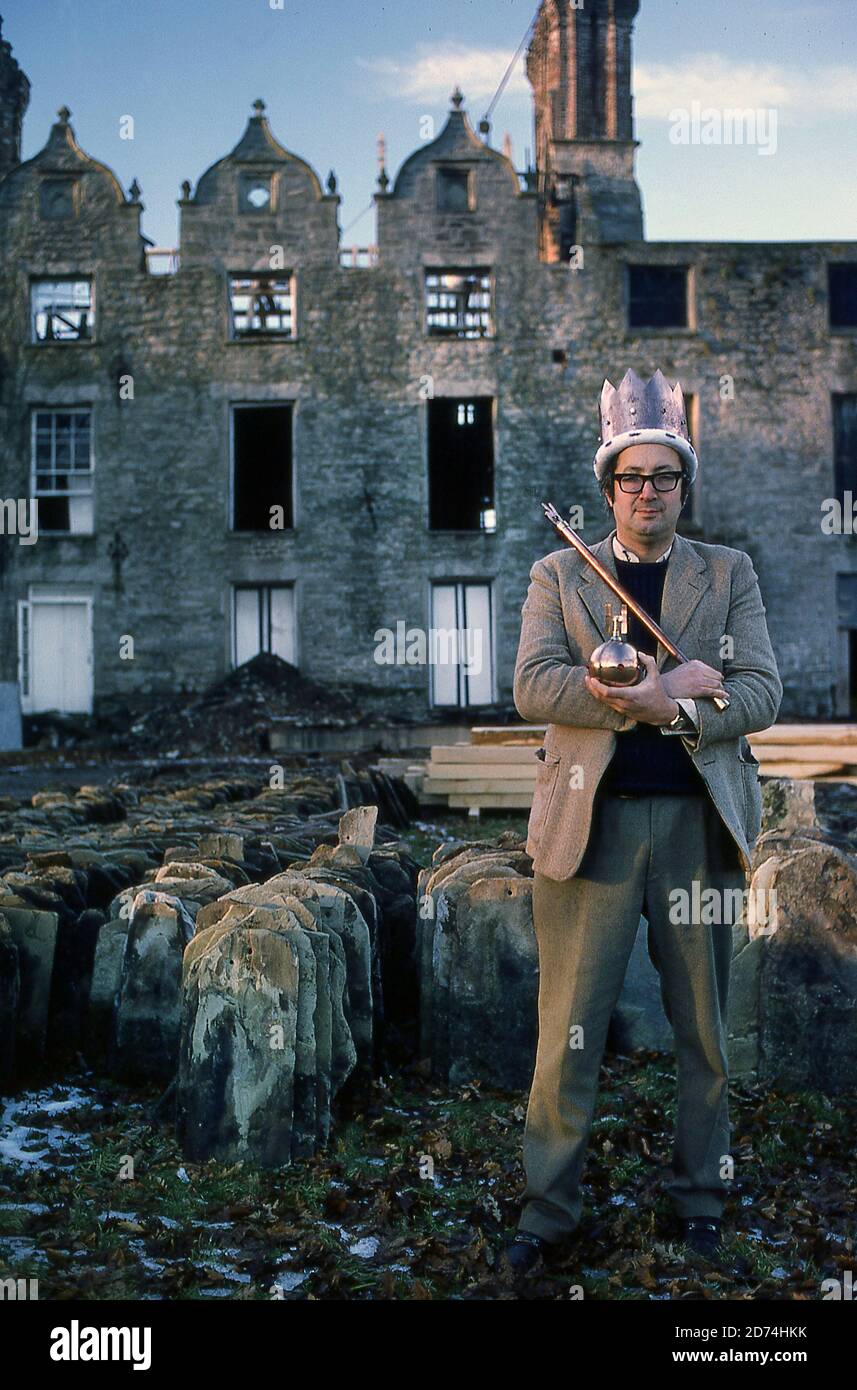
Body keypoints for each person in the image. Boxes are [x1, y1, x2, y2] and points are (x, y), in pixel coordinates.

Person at [500, 368, 782, 1286]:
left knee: (700, 1032)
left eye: (664, 476)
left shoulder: (726, 573)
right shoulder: (559, 572)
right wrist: (651, 697)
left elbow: (762, 692)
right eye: (631, 477)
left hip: (696, 833)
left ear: (681, 485)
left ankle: (700, 1198)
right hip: (591, 834)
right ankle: (548, 1211)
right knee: (566, 1030)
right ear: (608, 485)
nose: (647, 492)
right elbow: (534, 686)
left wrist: (689, 714)